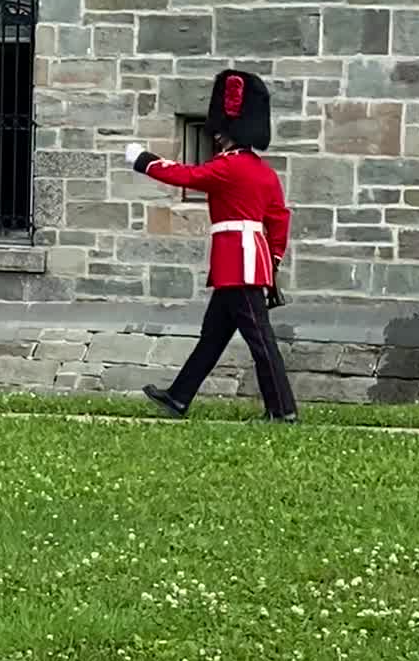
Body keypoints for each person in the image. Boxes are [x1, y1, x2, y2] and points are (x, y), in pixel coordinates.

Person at [124, 69, 298, 424]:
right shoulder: (264, 172)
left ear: (232, 132)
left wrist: (144, 161)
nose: (217, 137)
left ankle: (283, 410)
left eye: (220, 132)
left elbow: (185, 176)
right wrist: (274, 262)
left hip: (239, 264)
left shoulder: (228, 168)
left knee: (261, 341)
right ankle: (178, 398)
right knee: (213, 337)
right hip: (252, 261)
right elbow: (279, 220)